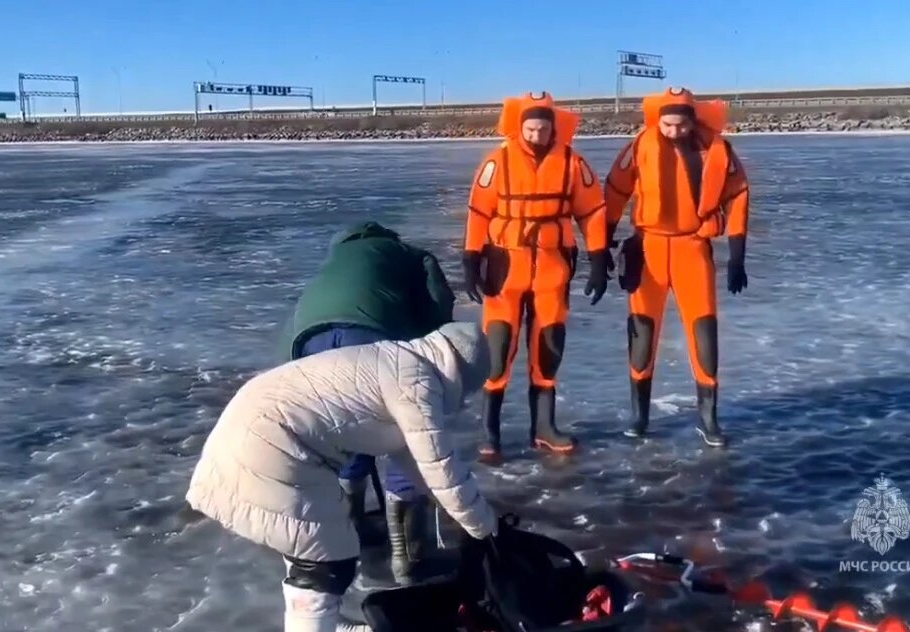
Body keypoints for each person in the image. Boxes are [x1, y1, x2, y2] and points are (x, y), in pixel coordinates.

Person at [186, 321, 499, 632]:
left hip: (252, 435)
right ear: (463, 374)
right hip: (266, 448)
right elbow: (441, 468)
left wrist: (464, 515)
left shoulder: (398, 361)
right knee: (324, 562)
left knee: (311, 549)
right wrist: (487, 529)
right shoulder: (417, 381)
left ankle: (325, 623)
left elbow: (419, 465)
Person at [275, 220, 457, 584]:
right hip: (374, 335)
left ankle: (350, 535)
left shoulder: (332, 264)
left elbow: (293, 329)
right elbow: (440, 305)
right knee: (400, 436)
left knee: (347, 433)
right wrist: (431, 365)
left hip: (308, 344)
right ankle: (410, 558)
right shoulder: (411, 256)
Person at [461, 91, 610, 462]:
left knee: (548, 348)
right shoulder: (496, 162)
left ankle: (543, 428)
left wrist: (597, 258)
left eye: (543, 128)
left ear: (553, 128)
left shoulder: (573, 164)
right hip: (504, 270)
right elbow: (479, 213)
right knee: (499, 351)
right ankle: (489, 433)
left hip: (552, 270)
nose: (536, 135)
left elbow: (592, 212)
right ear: (519, 127)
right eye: (530, 128)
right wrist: (469, 260)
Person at [602, 87, 751, 447]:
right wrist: (601, 244)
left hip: (692, 248)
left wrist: (737, 256)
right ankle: (640, 415)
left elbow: (739, 195)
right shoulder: (640, 145)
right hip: (648, 248)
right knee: (641, 332)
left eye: (680, 125)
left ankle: (708, 418)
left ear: (691, 120)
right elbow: (615, 190)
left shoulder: (717, 149)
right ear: (658, 120)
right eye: (667, 125)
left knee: (703, 332)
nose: (673, 132)